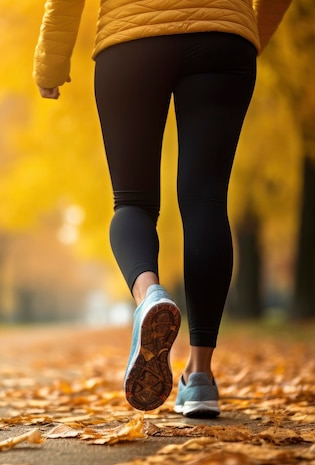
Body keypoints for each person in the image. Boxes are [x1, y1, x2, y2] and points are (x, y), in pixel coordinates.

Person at [33, 0, 292, 416]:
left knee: (132, 202)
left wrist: (50, 61)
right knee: (206, 201)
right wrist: (247, 30)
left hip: (131, 37)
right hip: (223, 39)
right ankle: (200, 378)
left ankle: (149, 295)